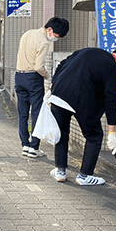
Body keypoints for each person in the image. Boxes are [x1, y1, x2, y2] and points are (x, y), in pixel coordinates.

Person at [49, 45, 116, 185]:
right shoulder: (113, 68)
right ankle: (85, 176)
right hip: (82, 102)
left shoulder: (88, 51)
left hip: (58, 96)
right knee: (94, 136)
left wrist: (53, 84)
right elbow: (111, 100)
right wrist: (112, 132)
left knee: (61, 133)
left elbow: (62, 64)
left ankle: (60, 171)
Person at [15, 17, 70, 159]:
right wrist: (47, 76)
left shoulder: (27, 34)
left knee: (22, 113)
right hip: (33, 78)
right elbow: (38, 67)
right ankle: (34, 147)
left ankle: (25, 145)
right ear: (49, 29)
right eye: (56, 35)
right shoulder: (44, 42)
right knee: (36, 113)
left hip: (19, 76)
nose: (55, 38)